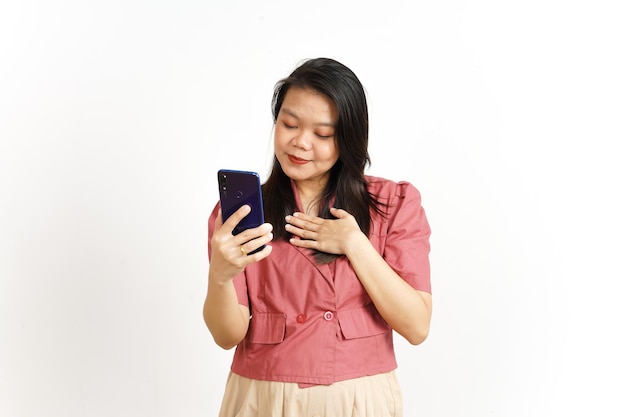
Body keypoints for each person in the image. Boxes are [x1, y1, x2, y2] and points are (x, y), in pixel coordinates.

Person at [204, 57, 432, 417]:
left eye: (322, 134)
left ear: (349, 138)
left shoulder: (394, 203)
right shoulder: (242, 212)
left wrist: (355, 245)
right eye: (289, 124)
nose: (300, 143)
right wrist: (220, 274)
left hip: (359, 398)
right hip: (261, 396)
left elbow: (417, 326)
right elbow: (226, 335)